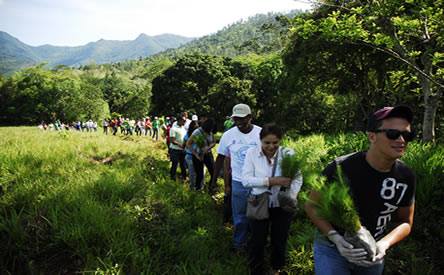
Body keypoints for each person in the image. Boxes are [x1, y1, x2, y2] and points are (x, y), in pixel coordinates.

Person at [305, 106, 416, 275]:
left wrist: (384, 244)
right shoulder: (341, 168)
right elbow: (312, 205)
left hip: (372, 251)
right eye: (393, 134)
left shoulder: (406, 176)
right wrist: (335, 237)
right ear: (372, 136)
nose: (401, 140)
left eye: (407, 135)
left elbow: (405, 222)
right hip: (333, 249)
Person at [242, 123, 303, 275]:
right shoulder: (251, 153)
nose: (271, 146)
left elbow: (297, 178)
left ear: (280, 140)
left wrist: (291, 196)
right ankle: (256, 269)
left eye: (275, 142)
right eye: (267, 143)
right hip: (259, 203)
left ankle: (277, 268)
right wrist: (271, 181)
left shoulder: (288, 154)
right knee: (257, 241)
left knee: (279, 239)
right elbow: (246, 180)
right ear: (260, 140)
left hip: (282, 205)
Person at [211, 103, 262, 252]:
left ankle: (255, 244)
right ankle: (239, 245)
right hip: (238, 182)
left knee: (257, 216)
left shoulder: (261, 133)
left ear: (250, 117)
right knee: (239, 216)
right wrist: (214, 180)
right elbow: (220, 159)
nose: (239, 122)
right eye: (236, 119)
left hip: (257, 182)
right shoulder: (228, 135)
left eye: (242, 119)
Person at [187, 118, 216, 192]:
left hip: (208, 154)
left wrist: (208, 148)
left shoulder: (210, 132)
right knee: (199, 174)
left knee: (213, 172)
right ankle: (197, 190)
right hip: (198, 155)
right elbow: (188, 144)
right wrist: (196, 155)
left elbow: (214, 142)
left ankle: (211, 187)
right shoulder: (197, 132)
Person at [169, 116, 187, 181]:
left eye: (185, 121)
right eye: (183, 120)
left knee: (183, 164)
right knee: (175, 164)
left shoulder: (183, 128)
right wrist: (181, 145)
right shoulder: (173, 128)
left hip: (182, 150)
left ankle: (184, 177)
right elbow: (172, 140)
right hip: (175, 150)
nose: (185, 122)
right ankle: (172, 178)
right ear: (179, 120)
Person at [184, 120, 199, 190]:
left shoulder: (199, 134)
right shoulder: (188, 135)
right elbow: (185, 144)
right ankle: (192, 188)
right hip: (190, 156)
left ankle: (197, 187)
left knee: (196, 173)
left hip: (196, 156)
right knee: (192, 173)